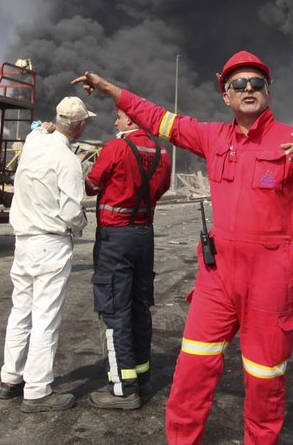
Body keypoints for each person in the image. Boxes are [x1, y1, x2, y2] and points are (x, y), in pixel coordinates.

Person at [72, 50, 293, 444]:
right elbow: (156, 118)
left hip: (270, 279)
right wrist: (109, 90)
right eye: (238, 84)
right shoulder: (211, 137)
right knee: (191, 374)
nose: (248, 89)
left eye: (257, 83)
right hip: (217, 278)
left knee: (263, 382)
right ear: (226, 96)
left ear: (268, 92)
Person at [0, 96, 95, 413]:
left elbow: (38, 128)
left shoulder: (34, 140)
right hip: (50, 243)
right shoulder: (68, 162)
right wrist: (81, 223)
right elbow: (71, 211)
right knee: (46, 317)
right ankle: (37, 391)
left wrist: (44, 127)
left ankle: (11, 379)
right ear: (80, 127)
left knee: (20, 311)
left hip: (22, 241)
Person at [84, 108, 172, 410]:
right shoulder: (163, 152)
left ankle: (122, 389)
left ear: (132, 121)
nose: (115, 121)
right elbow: (161, 189)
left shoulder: (117, 147)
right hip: (144, 235)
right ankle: (142, 379)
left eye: (119, 117)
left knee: (113, 311)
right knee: (138, 308)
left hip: (115, 239)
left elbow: (91, 184)